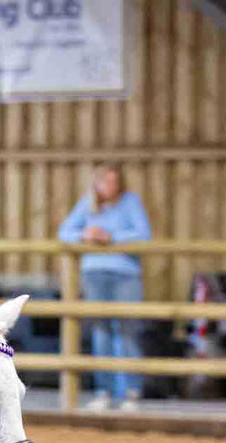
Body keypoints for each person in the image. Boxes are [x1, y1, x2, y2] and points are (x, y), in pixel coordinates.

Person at [57, 163, 152, 411]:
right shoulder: (87, 204)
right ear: (96, 184)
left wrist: (111, 238)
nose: (110, 187)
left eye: (114, 181)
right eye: (105, 182)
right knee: (101, 332)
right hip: (95, 273)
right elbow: (64, 232)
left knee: (128, 330)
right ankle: (104, 391)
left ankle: (131, 392)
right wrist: (85, 236)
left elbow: (143, 235)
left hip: (125, 274)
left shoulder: (130, 202)